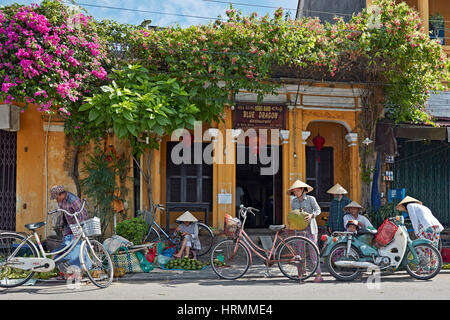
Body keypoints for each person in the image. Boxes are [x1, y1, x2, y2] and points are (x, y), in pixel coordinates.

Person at [50, 185, 91, 275]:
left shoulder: (73, 200)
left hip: (78, 226)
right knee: (64, 247)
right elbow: (63, 214)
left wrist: (80, 229)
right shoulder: (60, 201)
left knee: (77, 247)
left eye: (56, 197)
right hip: (69, 226)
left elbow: (82, 214)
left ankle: (80, 270)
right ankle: (67, 270)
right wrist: (61, 224)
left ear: (62, 194)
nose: (56, 199)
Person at [288, 180, 323, 283]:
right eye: (294, 191)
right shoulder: (293, 201)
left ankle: (319, 274)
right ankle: (301, 274)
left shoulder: (311, 199)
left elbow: (318, 210)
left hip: (311, 228)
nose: (296, 193)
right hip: (299, 228)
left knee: (313, 251)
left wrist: (311, 215)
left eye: (298, 190)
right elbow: (294, 214)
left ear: (303, 190)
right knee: (300, 252)